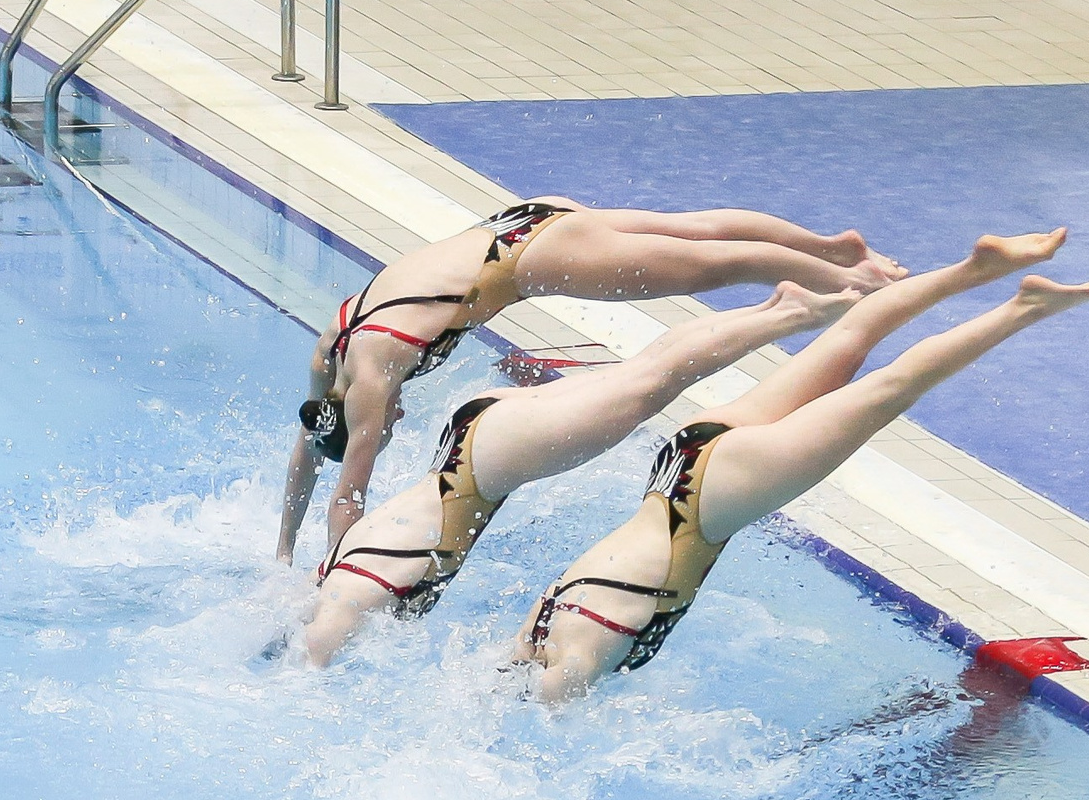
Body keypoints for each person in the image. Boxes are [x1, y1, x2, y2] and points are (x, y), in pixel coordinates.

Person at [508, 230, 1089, 701]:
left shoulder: (566, 669)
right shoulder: (530, 638)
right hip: (681, 462)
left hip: (710, 504)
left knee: (889, 390)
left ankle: (1023, 306)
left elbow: (558, 719)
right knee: (845, 342)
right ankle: (975, 269)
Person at [277, 201, 906, 560]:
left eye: (386, 429)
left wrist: (328, 576)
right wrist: (282, 548)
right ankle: (834, 248)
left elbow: (346, 499)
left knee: (717, 264)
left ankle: (857, 285)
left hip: (527, 260)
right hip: (524, 218)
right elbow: (309, 444)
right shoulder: (331, 351)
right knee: (695, 231)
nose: (396, 424)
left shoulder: (371, 386)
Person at [297, 279, 861, 668]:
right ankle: (777, 309)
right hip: (472, 441)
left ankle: (794, 315)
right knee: (643, 376)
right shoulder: (335, 567)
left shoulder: (345, 601)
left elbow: (316, 649)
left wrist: (306, 678)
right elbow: (342, 504)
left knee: (648, 385)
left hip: (486, 464)